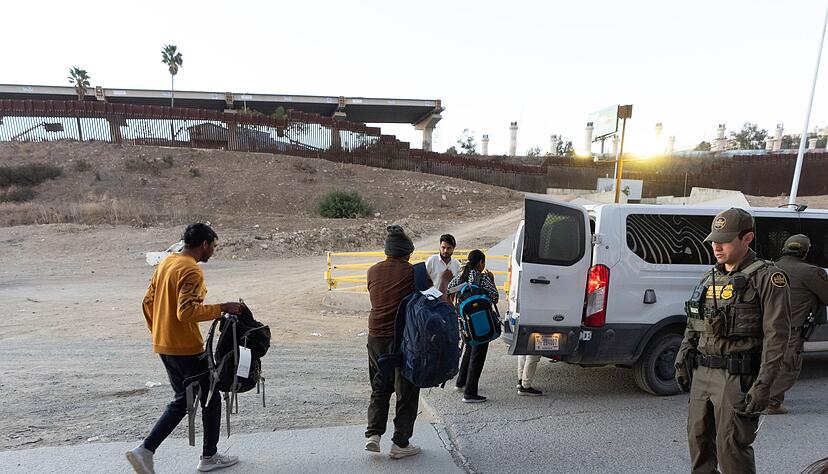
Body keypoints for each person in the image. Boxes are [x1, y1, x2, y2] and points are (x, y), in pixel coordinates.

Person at [674, 208, 791, 474]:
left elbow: (778, 337)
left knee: (731, 450)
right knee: (699, 443)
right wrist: (683, 357)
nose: (716, 246)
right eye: (714, 240)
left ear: (747, 238)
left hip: (737, 377)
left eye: (724, 240)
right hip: (703, 373)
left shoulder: (767, 278)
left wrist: (764, 385)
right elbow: (694, 322)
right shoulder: (708, 278)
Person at [127, 223, 243, 474]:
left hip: (164, 344)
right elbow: (186, 311)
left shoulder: (167, 263)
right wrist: (221, 307)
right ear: (204, 244)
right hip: (186, 349)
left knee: (185, 400)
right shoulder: (191, 271)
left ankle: (147, 451)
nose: (213, 251)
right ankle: (203, 456)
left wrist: (159, 331)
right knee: (209, 398)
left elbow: (147, 302)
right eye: (213, 246)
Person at [364, 225, 429, 459]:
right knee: (407, 391)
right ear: (407, 252)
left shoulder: (372, 271)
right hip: (404, 339)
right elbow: (430, 301)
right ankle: (400, 444)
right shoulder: (414, 272)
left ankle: (373, 435)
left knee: (380, 386)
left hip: (375, 337)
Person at [767, 234, 828, 414]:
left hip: (765, 326)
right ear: (805, 251)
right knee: (788, 366)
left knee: (767, 363)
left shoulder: (769, 268)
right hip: (790, 328)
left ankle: (757, 397)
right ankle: (770, 403)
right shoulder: (811, 272)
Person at [449, 249, 499, 403]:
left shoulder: (461, 277)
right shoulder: (483, 278)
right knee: (478, 355)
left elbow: (449, 290)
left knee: (469, 349)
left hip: (465, 322)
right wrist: (491, 281)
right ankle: (470, 393)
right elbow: (495, 297)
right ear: (481, 263)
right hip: (481, 323)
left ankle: (461, 382)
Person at [425, 234, 461, 300]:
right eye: (443, 247)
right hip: (432, 301)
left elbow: (456, 287)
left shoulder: (457, 264)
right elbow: (423, 280)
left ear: (453, 248)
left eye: (448, 248)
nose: (445, 251)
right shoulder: (431, 261)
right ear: (440, 246)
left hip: (448, 303)